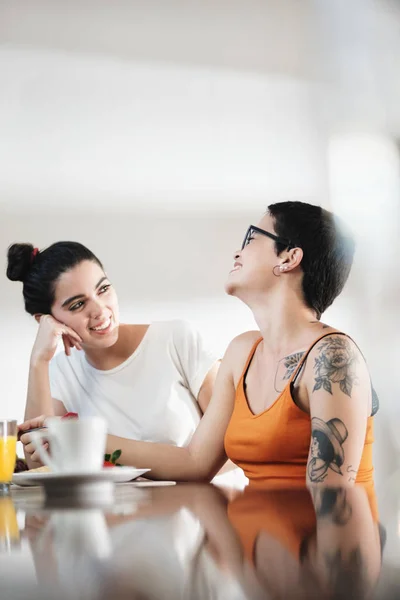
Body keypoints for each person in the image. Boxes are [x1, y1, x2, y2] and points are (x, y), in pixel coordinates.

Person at [19, 201, 378, 487]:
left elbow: (333, 508)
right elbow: (196, 462)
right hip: (255, 557)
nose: (237, 253)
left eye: (251, 238)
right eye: (78, 304)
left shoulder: (332, 356)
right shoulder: (243, 352)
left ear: (288, 258)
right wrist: (77, 430)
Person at [7, 242, 219, 467]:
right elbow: (40, 467)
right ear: (47, 320)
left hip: (196, 500)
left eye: (103, 289)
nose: (100, 311)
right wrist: (38, 361)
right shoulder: (61, 372)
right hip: (115, 503)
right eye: (78, 304)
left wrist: (86, 439)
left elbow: (231, 447)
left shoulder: (177, 340)